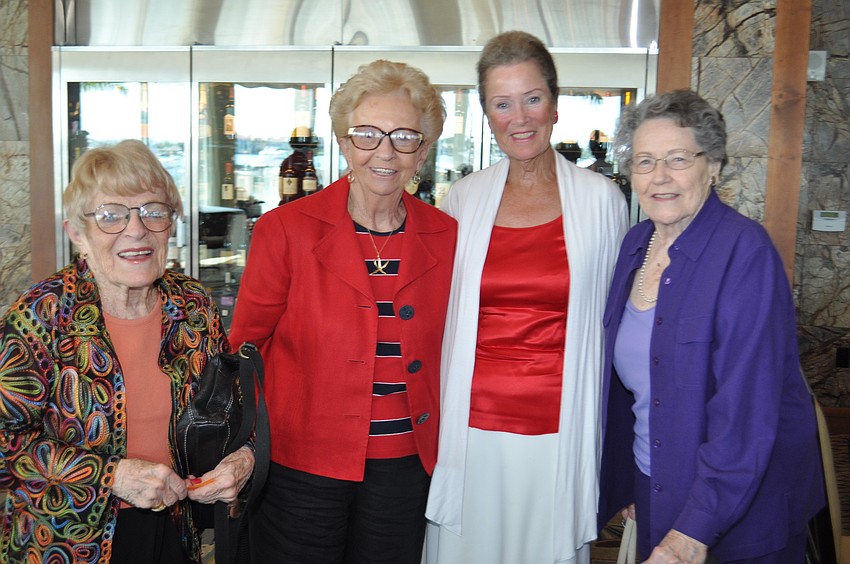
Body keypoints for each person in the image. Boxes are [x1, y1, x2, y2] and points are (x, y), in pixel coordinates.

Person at [229, 59, 457, 563]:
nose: (385, 151)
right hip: (301, 465)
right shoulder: (285, 230)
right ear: (344, 143)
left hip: (406, 466)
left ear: (423, 151)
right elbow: (246, 348)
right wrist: (247, 446)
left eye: (404, 137)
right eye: (368, 134)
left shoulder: (447, 235)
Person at [426, 31, 629, 564]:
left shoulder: (602, 200)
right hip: (471, 430)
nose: (520, 117)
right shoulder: (463, 198)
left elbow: (618, 329)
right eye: (502, 103)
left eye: (532, 98)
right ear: (487, 114)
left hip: (562, 428)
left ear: (555, 105)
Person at [0, 139, 255, 563]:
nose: (136, 230)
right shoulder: (41, 316)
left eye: (153, 211)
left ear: (170, 224)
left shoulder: (193, 306)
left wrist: (243, 459)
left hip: (176, 530)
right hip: (66, 540)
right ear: (77, 234)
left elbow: (233, 410)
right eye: (111, 215)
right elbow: (6, 442)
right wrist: (111, 476)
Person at [598, 89, 825, 563]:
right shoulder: (635, 244)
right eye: (644, 161)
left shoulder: (746, 253)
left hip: (738, 509)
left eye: (678, 159)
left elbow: (745, 413)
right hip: (656, 484)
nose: (660, 176)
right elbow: (628, 389)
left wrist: (691, 533)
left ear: (714, 166)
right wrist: (629, 479)